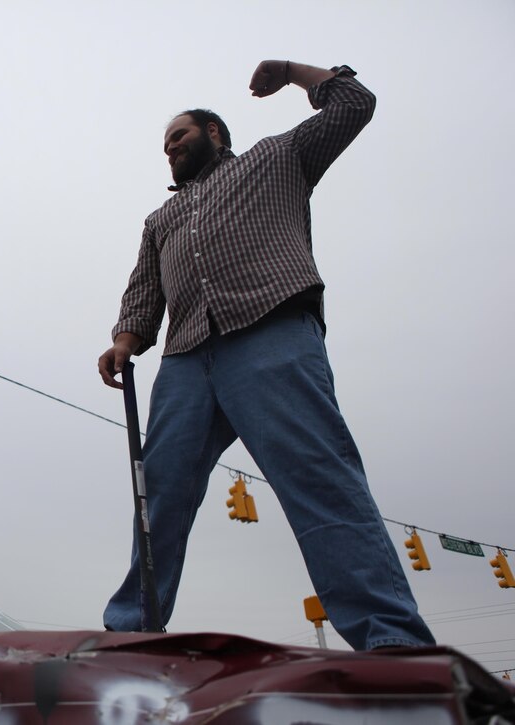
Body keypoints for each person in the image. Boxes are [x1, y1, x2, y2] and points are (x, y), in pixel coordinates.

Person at [97, 60, 435, 651]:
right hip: (185, 360)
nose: (170, 147)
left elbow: (354, 107)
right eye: (165, 144)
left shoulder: (276, 158)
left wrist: (294, 73)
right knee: (160, 491)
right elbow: (145, 286)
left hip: (271, 332)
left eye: (179, 135)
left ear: (215, 133)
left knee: (317, 475)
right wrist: (127, 337)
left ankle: (392, 641)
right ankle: (130, 634)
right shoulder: (161, 218)